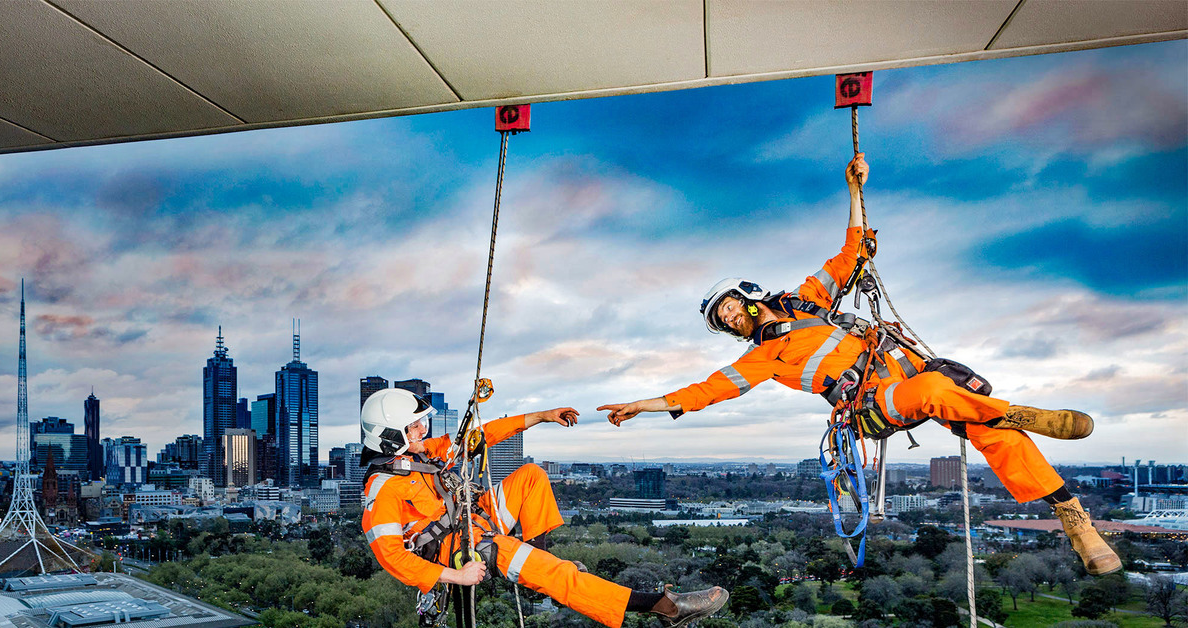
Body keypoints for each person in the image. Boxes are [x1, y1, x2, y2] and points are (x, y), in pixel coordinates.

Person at [597, 154, 1121, 576]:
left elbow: (851, 253)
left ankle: (1076, 523)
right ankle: (1022, 412)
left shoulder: (806, 300)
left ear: (747, 296)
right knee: (936, 392)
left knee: (994, 433)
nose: (731, 317)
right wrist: (642, 406)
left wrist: (853, 191)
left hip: (905, 363)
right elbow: (705, 390)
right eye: (723, 318)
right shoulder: (762, 358)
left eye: (730, 306)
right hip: (875, 400)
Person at [360, 388, 729, 628]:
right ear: (390, 436)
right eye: (414, 427)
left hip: (475, 519)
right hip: (461, 550)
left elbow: (482, 436)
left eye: (422, 423)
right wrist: (456, 577)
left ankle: (539, 566)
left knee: (531, 475)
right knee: (561, 576)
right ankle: (666, 607)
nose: (423, 431)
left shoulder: (425, 455)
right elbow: (392, 557)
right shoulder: (383, 488)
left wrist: (541, 416)